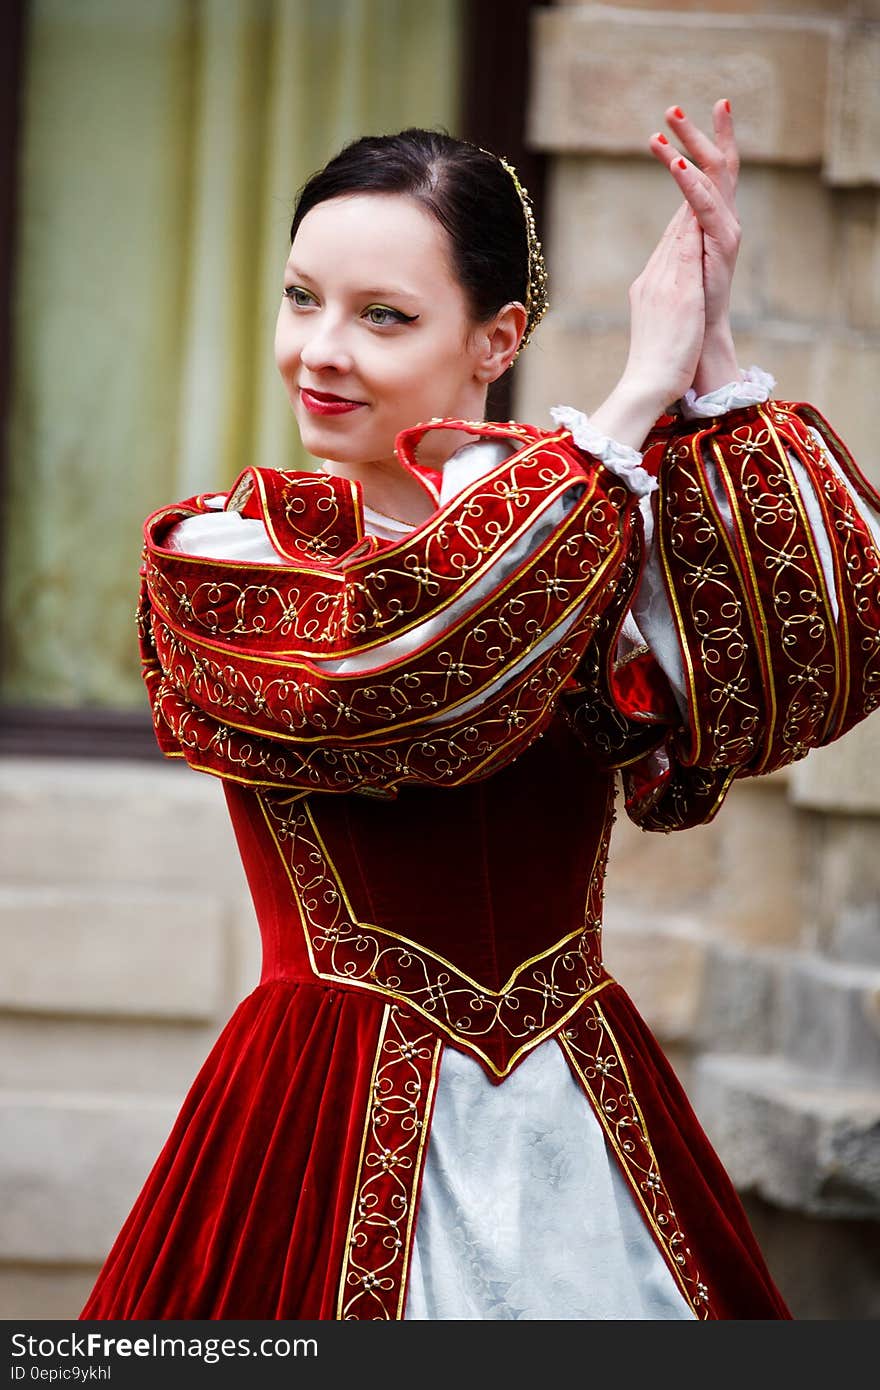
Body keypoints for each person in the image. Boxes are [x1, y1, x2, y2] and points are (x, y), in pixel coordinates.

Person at [79, 102, 880, 1322]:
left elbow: (816, 662)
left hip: (585, 1103)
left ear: (495, 337)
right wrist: (617, 424)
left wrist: (710, 361)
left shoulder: (581, 528)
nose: (319, 351)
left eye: (382, 315)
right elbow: (406, 675)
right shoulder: (226, 557)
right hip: (323, 1115)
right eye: (302, 298)